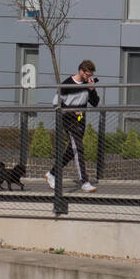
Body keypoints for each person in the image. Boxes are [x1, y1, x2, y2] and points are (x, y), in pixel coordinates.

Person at [45, 59, 100, 193]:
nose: (89, 78)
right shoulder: (67, 84)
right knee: (79, 148)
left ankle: (52, 174)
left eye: (90, 75)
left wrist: (92, 89)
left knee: (72, 150)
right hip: (69, 119)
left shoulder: (88, 84)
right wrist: (71, 110)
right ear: (81, 71)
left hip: (81, 119)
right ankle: (84, 182)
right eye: (87, 75)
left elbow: (95, 103)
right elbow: (55, 103)